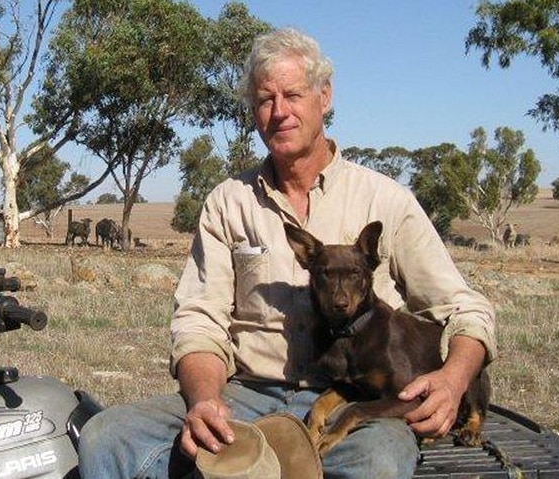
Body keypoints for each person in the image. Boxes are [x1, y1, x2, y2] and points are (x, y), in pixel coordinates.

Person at [78, 27, 496, 479]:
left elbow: (464, 308)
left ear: (324, 96)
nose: (279, 112)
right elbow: (199, 320)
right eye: (264, 99)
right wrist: (205, 403)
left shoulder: (385, 200)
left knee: (378, 460)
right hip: (245, 396)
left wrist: (453, 381)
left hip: (349, 400)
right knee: (106, 436)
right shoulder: (228, 202)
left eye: (293, 95)